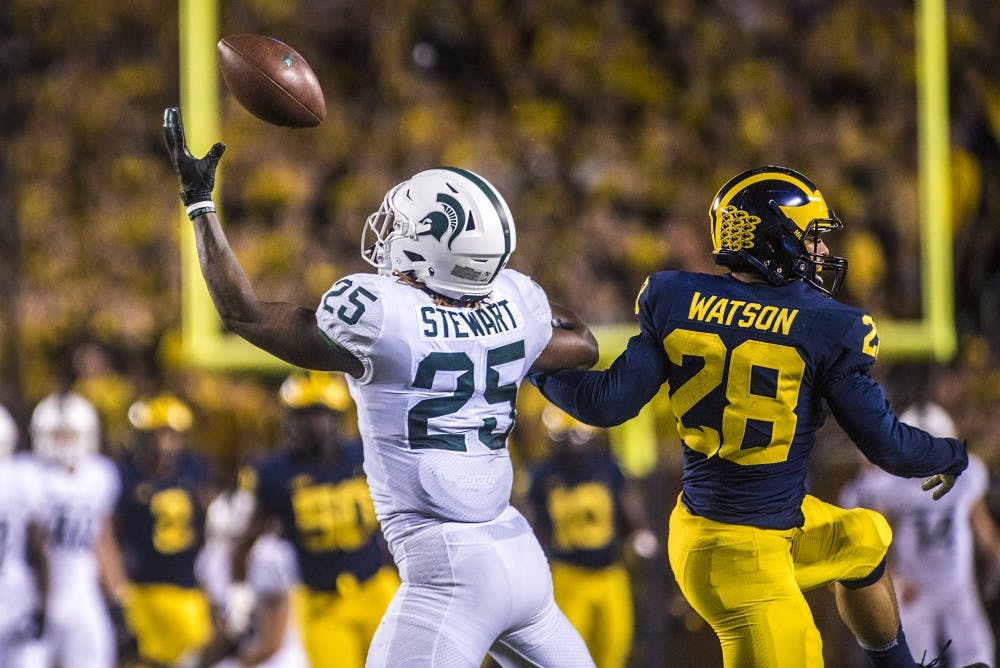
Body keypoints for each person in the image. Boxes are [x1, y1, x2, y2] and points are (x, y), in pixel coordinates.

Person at [164, 105, 599, 667]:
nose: (392, 233)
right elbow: (582, 341)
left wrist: (200, 207)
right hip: (520, 557)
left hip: (449, 574)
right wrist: (491, 303)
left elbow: (244, 315)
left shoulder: (384, 320)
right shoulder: (519, 306)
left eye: (407, 228)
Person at [529, 166, 970, 668]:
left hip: (715, 526)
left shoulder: (675, 297)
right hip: (743, 557)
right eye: (811, 238)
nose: (822, 252)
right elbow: (888, 445)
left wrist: (533, 369)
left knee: (864, 538)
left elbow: (605, 402)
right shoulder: (827, 325)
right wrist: (951, 452)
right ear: (775, 240)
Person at [225, 371, 399, 667]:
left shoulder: (363, 455)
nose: (315, 426)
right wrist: (239, 600)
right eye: (305, 417)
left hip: (376, 588)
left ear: (338, 417)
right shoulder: (274, 473)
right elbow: (245, 542)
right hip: (321, 603)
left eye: (322, 416)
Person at [840, 394, 999, 667]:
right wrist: (897, 579)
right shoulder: (887, 486)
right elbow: (879, 540)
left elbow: (981, 527)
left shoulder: (962, 478)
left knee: (977, 657)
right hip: (916, 590)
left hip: (956, 587)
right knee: (918, 659)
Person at [524, 405, 658, 668]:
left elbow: (626, 497)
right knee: (566, 658)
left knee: (613, 651)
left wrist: (640, 529)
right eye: (564, 437)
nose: (571, 444)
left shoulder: (606, 465)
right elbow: (530, 518)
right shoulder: (543, 474)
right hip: (567, 575)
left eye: (574, 436)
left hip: (610, 573)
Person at [102, 392, 214, 666]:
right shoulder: (125, 477)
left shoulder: (194, 471)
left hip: (186, 588)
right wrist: (117, 589)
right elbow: (109, 536)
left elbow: (209, 528)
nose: (165, 445)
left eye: (171, 436)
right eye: (157, 436)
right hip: (141, 588)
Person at [30, 391, 121, 668]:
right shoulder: (30, 477)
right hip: (34, 596)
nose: (64, 442)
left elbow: (103, 540)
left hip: (83, 594)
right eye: (58, 435)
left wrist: (118, 595)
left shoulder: (99, 475)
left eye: (70, 434)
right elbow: (31, 550)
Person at [0, 403, 48, 668]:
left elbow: (37, 547)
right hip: (16, 591)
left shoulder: (22, 477)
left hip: (16, 594)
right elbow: (39, 551)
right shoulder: (22, 475)